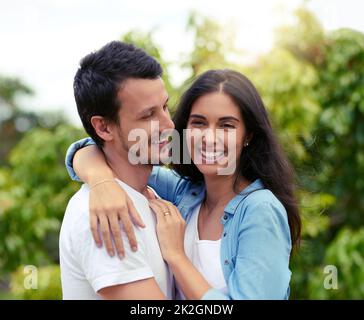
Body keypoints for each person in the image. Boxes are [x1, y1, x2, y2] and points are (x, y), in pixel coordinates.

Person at [65, 69, 301, 299]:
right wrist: (101, 181)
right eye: (199, 123)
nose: (209, 138)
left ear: (248, 135)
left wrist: (176, 256)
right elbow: (109, 148)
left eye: (226, 125)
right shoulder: (185, 193)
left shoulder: (260, 211)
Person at [60, 40, 175, 299]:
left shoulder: (151, 191)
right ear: (103, 128)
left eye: (165, 107)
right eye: (148, 116)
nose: (169, 125)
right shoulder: (105, 217)